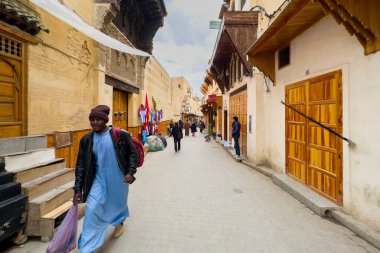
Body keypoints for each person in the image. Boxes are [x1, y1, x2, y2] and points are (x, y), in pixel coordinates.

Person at [73, 105, 138, 253]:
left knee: (117, 203)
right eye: (92, 120)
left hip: (118, 179)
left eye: (98, 120)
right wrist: (78, 189)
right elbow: (81, 165)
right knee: (92, 208)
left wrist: (130, 172)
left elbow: (133, 155)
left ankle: (119, 223)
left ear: (105, 120)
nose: (95, 123)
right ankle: (87, 247)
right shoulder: (86, 140)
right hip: (97, 180)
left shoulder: (120, 135)